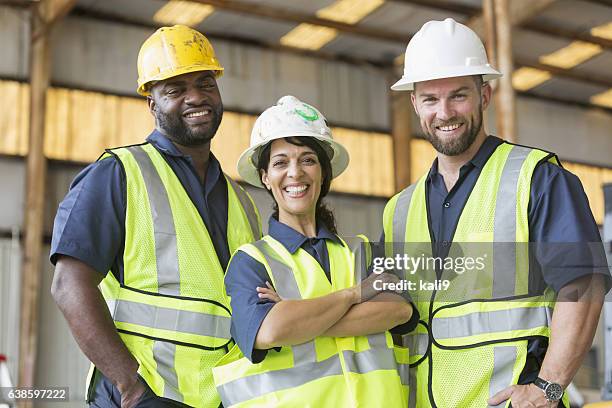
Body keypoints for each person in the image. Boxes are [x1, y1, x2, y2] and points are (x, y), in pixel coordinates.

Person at [382, 18, 611, 408]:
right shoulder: (398, 210)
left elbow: (583, 287)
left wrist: (549, 387)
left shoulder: (537, 179)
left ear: (485, 96)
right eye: (430, 99)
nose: (444, 112)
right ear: (414, 104)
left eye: (458, 96)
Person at [50, 25, 261, 408]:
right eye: (175, 90)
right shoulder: (118, 174)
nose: (196, 97)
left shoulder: (242, 200)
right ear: (152, 103)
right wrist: (130, 386)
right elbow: (69, 286)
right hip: (145, 396)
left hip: (223, 397)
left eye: (205, 84)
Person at [212, 95, 417, 407]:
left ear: (324, 172)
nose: (295, 173)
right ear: (266, 178)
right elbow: (269, 331)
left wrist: (299, 317)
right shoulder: (251, 262)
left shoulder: (361, 251)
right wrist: (355, 294)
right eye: (281, 163)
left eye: (307, 159)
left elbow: (399, 310)